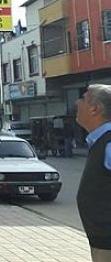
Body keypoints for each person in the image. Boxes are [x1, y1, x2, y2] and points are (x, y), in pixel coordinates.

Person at [75, 84, 111, 262]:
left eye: (82, 98)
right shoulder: (100, 142)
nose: (76, 102)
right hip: (101, 242)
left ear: (95, 109)